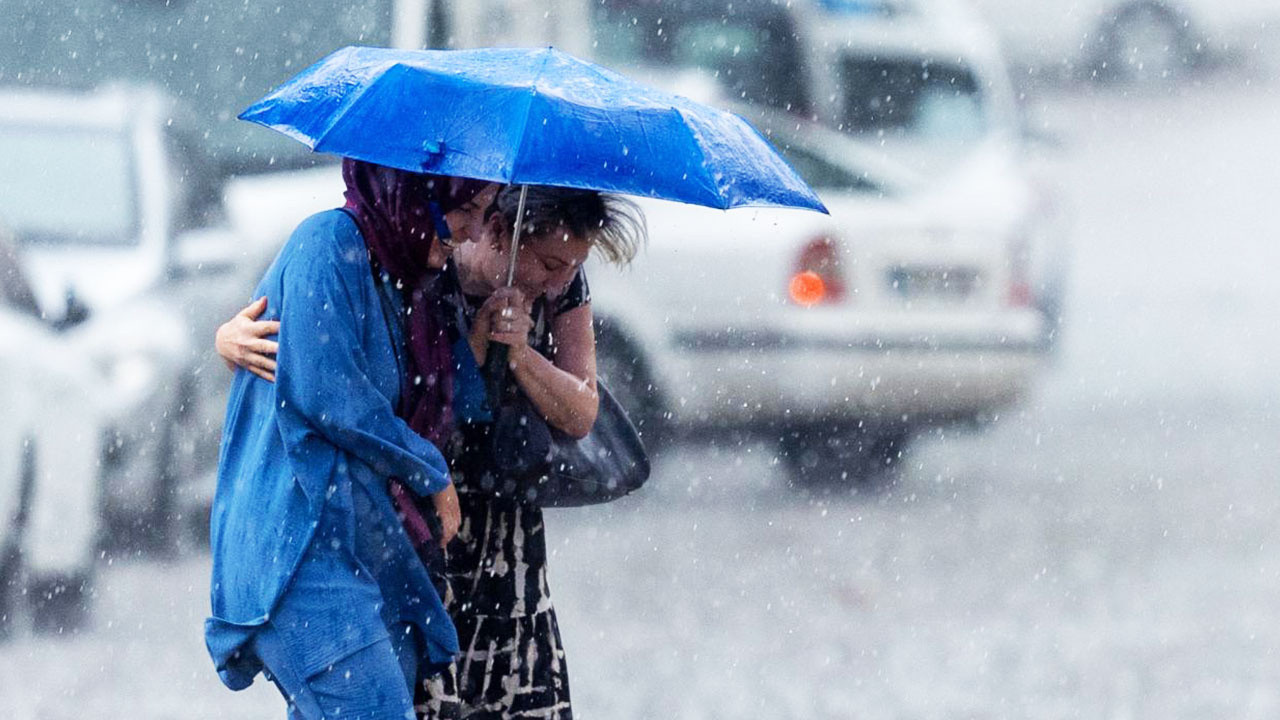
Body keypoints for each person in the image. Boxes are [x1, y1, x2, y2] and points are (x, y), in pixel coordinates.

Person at [217, 184, 645, 719]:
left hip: (491, 520)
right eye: (550, 262)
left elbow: (577, 411)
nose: (558, 280)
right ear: (500, 232)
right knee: (406, 700)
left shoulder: (546, 285)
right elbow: (331, 373)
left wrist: (517, 355)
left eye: (571, 267)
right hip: (409, 520)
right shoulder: (411, 256)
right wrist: (227, 341)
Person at [205, 157, 498, 719]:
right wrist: (429, 470)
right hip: (299, 552)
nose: (473, 231)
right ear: (416, 194)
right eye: (465, 208)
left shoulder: (406, 278)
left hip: (367, 550)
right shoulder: (327, 244)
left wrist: (495, 333)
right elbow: (330, 394)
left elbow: (445, 398)